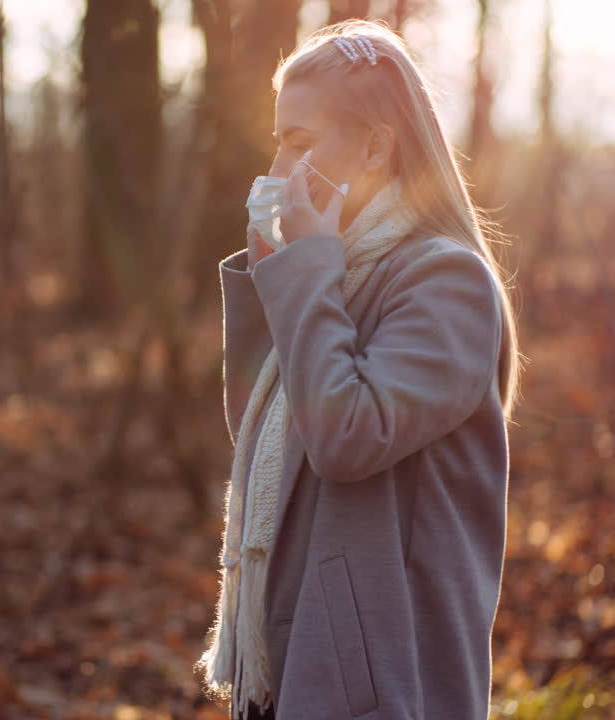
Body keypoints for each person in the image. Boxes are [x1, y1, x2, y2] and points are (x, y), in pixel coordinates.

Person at [194, 19, 524, 720]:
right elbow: (265, 439)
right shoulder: (337, 272)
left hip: (387, 685)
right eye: (276, 142)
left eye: (300, 143)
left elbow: (345, 437)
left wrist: (304, 276)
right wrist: (272, 279)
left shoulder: (446, 284)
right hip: (299, 654)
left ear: (376, 146)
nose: (277, 171)